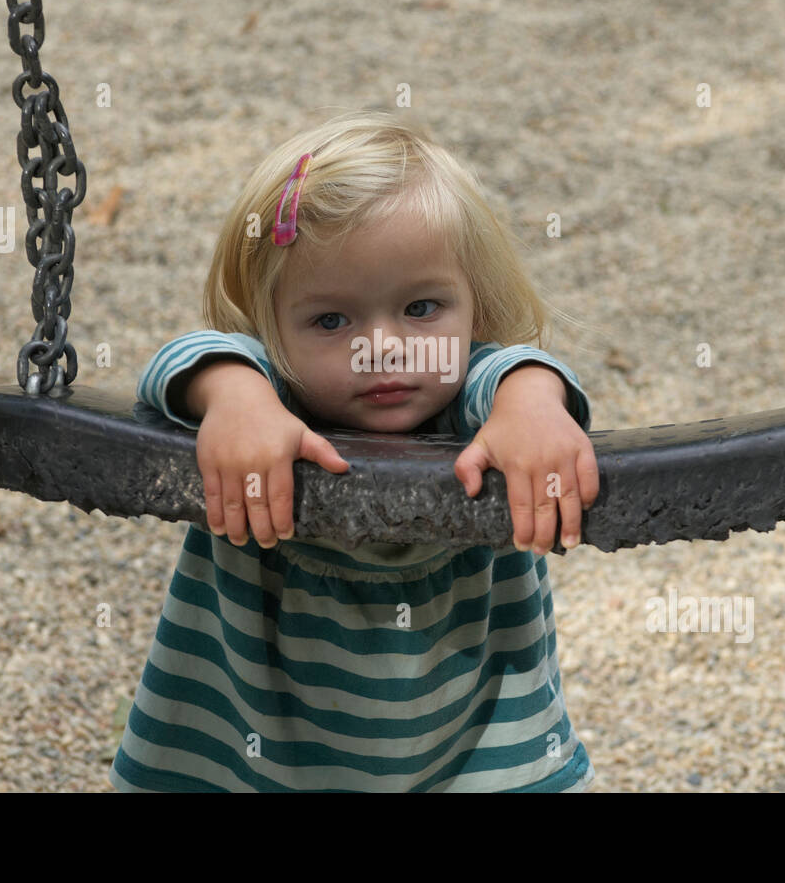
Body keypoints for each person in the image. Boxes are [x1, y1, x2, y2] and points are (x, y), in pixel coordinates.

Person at [109, 108, 600, 791]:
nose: (385, 346)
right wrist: (235, 400)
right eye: (331, 320)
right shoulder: (271, 395)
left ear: (476, 308)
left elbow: (519, 373)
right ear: (273, 330)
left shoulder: (475, 395)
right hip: (258, 755)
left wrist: (534, 404)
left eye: (422, 308)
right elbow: (185, 360)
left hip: (476, 748)